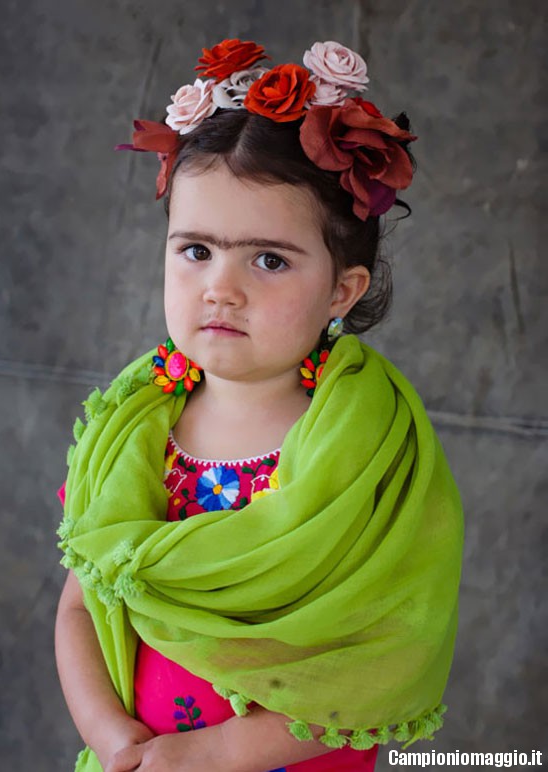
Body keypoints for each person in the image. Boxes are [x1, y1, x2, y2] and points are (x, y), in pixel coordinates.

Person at [54, 39, 463, 772]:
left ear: (341, 290)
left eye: (269, 260)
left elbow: (383, 652)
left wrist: (212, 753)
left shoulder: (366, 449)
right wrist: (113, 740)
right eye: (196, 251)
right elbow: (82, 605)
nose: (222, 288)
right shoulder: (131, 430)